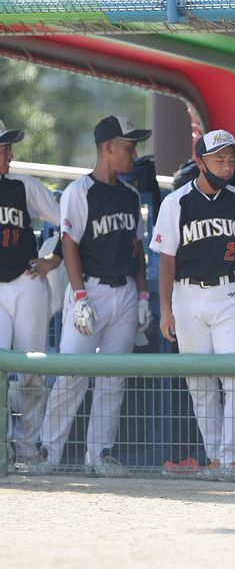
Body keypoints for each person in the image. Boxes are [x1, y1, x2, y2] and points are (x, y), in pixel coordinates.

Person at [150, 130, 235, 482]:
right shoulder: (176, 202)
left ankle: (232, 458)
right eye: (219, 159)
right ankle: (215, 457)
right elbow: (166, 259)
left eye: (230, 159)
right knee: (200, 382)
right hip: (186, 295)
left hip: (227, 293)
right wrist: (165, 308)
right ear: (200, 161)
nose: (226, 165)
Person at [38, 115, 152, 475]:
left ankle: (99, 454)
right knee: (72, 375)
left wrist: (144, 295)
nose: (133, 153)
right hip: (90, 290)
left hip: (125, 293)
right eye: (128, 146)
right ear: (107, 148)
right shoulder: (78, 192)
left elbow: (137, 250)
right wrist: (80, 294)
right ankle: (47, 453)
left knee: (112, 380)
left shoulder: (130, 196)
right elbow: (69, 244)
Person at [0, 120, 62, 464]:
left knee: (30, 374)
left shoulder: (23, 185)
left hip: (27, 281)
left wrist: (53, 259)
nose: (10, 154)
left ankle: (26, 449)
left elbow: (69, 222)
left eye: (9, 147)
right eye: (4, 148)